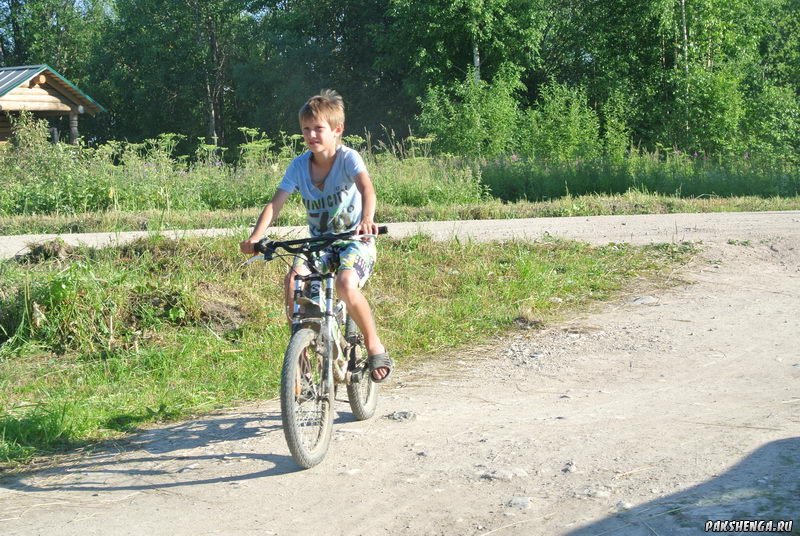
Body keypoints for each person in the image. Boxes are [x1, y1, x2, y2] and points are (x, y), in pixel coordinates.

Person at [240, 89, 392, 382]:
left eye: (318, 128)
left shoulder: (348, 158)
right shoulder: (299, 166)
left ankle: (374, 344)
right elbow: (276, 203)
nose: (311, 135)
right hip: (319, 245)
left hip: (353, 240)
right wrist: (255, 238)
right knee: (293, 282)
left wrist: (367, 219)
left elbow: (366, 189)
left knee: (346, 284)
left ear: (337, 130)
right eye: (306, 129)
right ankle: (300, 359)